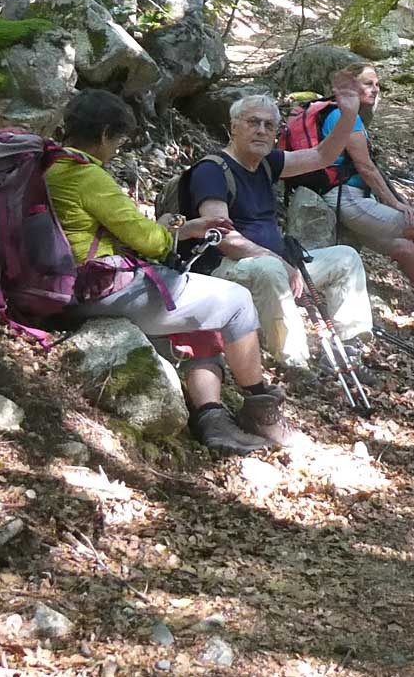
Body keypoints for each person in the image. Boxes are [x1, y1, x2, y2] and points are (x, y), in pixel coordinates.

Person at [45, 89, 291, 456]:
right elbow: (151, 242)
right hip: (93, 288)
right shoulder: (87, 177)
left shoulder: (48, 166)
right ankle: (259, 406)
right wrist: (186, 230)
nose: (115, 150)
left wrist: (173, 229)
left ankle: (212, 417)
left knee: (203, 316)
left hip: (53, 283)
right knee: (237, 302)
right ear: (103, 136)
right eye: (117, 140)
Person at [175, 73, 374, 376]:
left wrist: (349, 113)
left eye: (269, 125)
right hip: (224, 270)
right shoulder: (212, 170)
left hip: (275, 266)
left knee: (345, 257)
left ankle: (349, 348)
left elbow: (323, 155)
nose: (261, 130)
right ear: (233, 128)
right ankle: (294, 362)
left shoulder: (268, 163)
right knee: (268, 270)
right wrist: (278, 261)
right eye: (252, 122)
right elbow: (222, 238)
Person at [317, 62, 414, 314]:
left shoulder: (342, 115)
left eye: (377, 84)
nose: (375, 89)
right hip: (345, 197)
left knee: (404, 248)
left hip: (349, 198)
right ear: (351, 87)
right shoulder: (345, 117)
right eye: (368, 84)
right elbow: (366, 167)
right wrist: (395, 203)